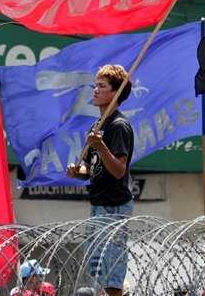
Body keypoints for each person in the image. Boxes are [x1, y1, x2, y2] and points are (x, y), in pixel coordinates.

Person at [67, 65, 134, 296]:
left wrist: (101, 147)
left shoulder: (118, 126)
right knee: (97, 265)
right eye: (95, 85)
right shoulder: (96, 127)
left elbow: (118, 170)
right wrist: (79, 171)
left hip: (114, 205)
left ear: (115, 92)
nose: (95, 90)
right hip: (97, 203)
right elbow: (92, 167)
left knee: (112, 265)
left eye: (102, 86)